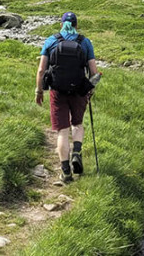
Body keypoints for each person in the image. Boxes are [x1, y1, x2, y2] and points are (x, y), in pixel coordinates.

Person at [35, 11, 100, 182]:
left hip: (57, 92)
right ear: (76, 25)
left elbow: (41, 70)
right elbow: (94, 72)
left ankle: (65, 172)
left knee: (62, 131)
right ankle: (76, 152)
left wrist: (39, 91)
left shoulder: (51, 40)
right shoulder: (85, 42)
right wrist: (90, 89)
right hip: (79, 91)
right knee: (77, 124)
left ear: (61, 24)